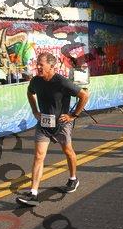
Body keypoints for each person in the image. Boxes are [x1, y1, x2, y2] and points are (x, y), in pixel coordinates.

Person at [17, 52, 90, 207]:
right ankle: (33, 193)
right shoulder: (36, 81)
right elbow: (30, 93)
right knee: (38, 156)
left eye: (41, 64)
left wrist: (73, 115)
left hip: (62, 123)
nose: (38, 66)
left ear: (51, 66)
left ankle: (73, 179)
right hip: (44, 124)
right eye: (37, 63)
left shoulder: (62, 82)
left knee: (68, 151)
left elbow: (84, 95)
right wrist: (35, 111)